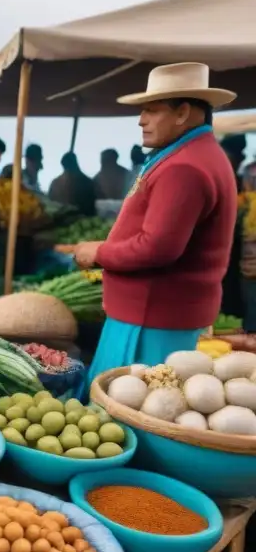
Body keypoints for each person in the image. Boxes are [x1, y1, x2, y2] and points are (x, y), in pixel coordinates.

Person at [72, 63, 238, 379]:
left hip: (152, 318)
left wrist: (98, 253)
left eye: (151, 110)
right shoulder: (195, 154)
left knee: (128, 416)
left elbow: (157, 247)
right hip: (156, 314)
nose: (141, 120)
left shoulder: (184, 167)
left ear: (183, 112)